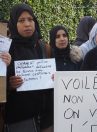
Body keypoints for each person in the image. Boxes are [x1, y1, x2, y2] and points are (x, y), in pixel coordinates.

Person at [5, 3, 53, 132]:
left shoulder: (43, 46)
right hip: (20, 118)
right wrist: (9, 85)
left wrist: (54, 78)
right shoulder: (6, 49)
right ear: (14, 23)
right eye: (21, 20)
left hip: (45, 116)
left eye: (30, 19)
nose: (27, 24)